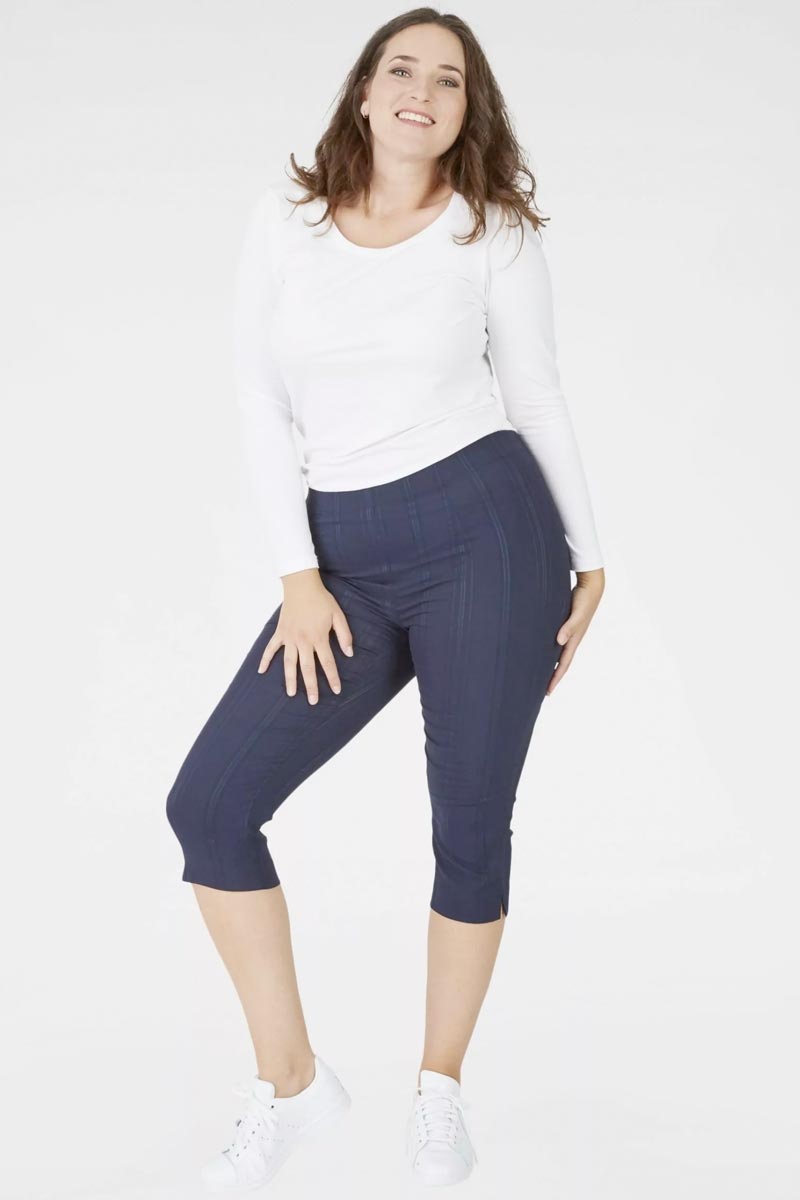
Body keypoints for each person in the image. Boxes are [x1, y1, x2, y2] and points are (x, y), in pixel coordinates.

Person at [166, 10, 605, 1191]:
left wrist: (589, 557)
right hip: (342, 560)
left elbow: (536, 393)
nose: (421, 90)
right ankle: (293, 1084)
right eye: (400, 69)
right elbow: (259, 400)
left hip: (487, 538)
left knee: (468, 825)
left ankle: (438, 1094)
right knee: (210, 808)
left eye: (447, 79)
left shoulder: (487, 232)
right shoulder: (288, 222)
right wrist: (297, 576)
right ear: (363, 92)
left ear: (467, 110)